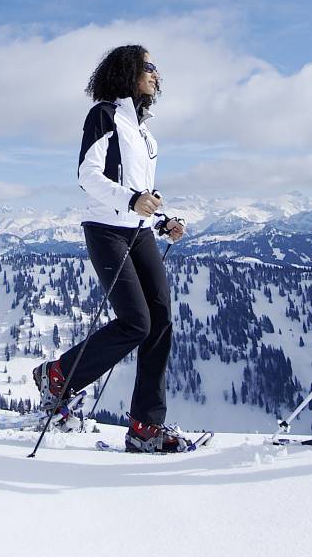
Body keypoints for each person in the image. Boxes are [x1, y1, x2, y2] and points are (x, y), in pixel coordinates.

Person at [32, 44, 192, 453]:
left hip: (138, 231)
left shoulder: (144, 131)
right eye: (149, 68)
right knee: (136, 323)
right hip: (106, 230)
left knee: (160, 322)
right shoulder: (104, 115)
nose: (156, 75)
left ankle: (145, 427)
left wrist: (161, 218)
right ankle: (58, 376)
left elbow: (139, 193)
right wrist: (133, 200)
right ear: (128, 73)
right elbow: (87, 175)